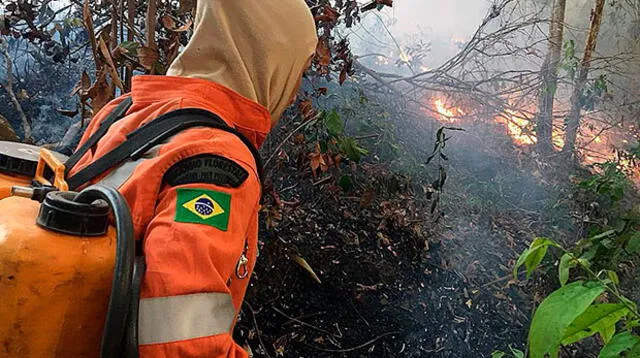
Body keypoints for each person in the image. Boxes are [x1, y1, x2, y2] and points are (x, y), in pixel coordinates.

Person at [66, 1, 318, 356]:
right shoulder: (217, 159)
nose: (293, 93)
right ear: (272, 59)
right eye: (298, 69)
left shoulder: (125, 111)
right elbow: (182, 344)